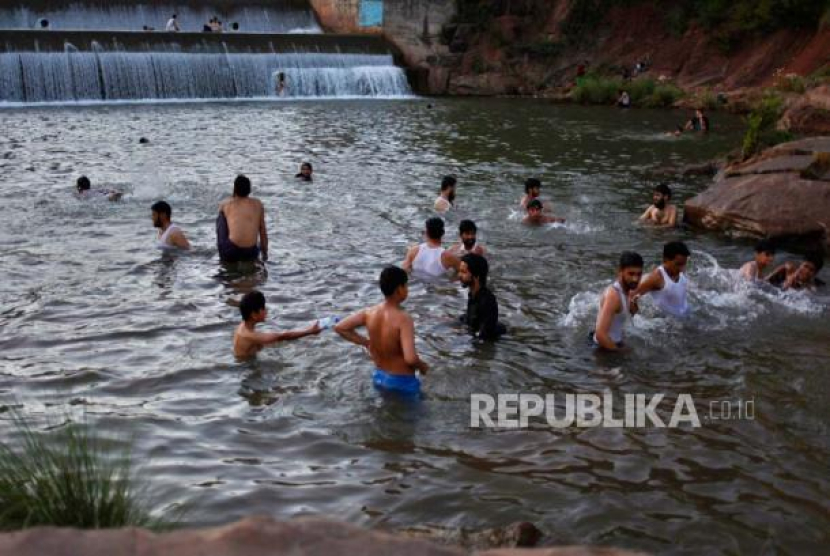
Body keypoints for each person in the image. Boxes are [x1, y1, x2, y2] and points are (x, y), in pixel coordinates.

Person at [334, 266, 429, 396]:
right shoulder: (403, 318)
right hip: (403, 382)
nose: (407, 289)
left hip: (379, 377)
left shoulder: (369, 312)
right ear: (399, 289)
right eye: (406, 286)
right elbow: (410, 359)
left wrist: (367, 343)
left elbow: (340, 327)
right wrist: (423, 366)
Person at [233, 291, 321, 359]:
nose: (266, 310)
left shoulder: (243, 326)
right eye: (263, 308)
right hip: (247, 366)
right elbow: (283, 336)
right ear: (253, 314)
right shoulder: (251, 336)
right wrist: (310, 331)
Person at [592, 251, 643, 350]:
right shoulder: (613, 296)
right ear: (620, 271)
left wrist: (634, 304)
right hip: (603, 349)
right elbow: (600, 335)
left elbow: (629, 313)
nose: (635, 279)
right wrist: (621, 354)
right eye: (631, 274)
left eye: (639, 274)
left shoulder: (627, 290)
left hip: (615, 342)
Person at [632, 241, 691, 318]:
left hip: (685, 314)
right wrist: (636, 317)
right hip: (668, 323)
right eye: (678, 264)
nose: (682, 269)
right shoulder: (656, 278)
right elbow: (631, 295)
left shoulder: (677, 270)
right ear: (666, 260)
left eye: (684, 264)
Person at [216, 175, 268, 263]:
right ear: (249, 190)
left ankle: (223, 259)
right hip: (251, 252)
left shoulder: (226, 204)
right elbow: (263, 231)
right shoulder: (258, 204)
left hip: (231, 251)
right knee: (258, 234)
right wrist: (265, 253)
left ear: (235, 189)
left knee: (221, 216)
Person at [459, 254, 505, 341]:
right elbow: (471, 320)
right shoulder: (472, 294)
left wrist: (463, 333)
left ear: (477, 276)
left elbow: (484, 336)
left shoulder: (487, 301)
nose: (459, 275)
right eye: (460, 271)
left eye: (463, 272)